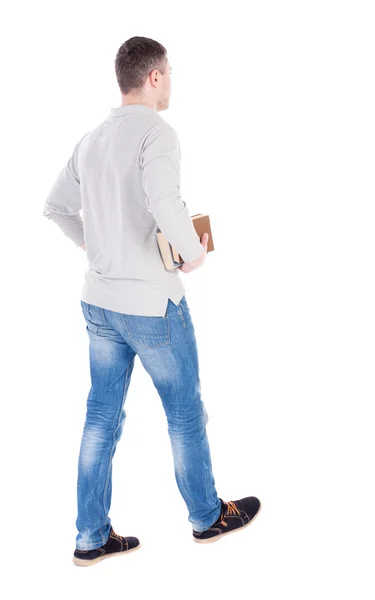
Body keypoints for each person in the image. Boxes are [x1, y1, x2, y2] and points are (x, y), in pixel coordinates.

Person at [43, 36, 261, 567]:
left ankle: (90, 537)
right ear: (155, 77)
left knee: (100, 417)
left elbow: (55, 207)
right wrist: (191, 253)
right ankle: (207, 516)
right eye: (170, 73)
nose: (171, 82)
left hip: (98, 303)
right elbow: (165, 199)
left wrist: (92, 244)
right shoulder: (158, 133)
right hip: (152, 307)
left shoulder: (91, 139)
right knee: (184, 414)